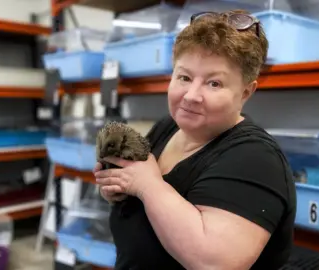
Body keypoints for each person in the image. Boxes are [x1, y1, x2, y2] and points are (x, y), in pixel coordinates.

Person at [93, 9, 297, 270]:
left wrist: (148, 186)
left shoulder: (256, 160)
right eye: (184, 77)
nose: (191, 95)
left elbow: (214, 264)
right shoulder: (168, 128)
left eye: (214, 84)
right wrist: (119, 191)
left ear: (246, 92)